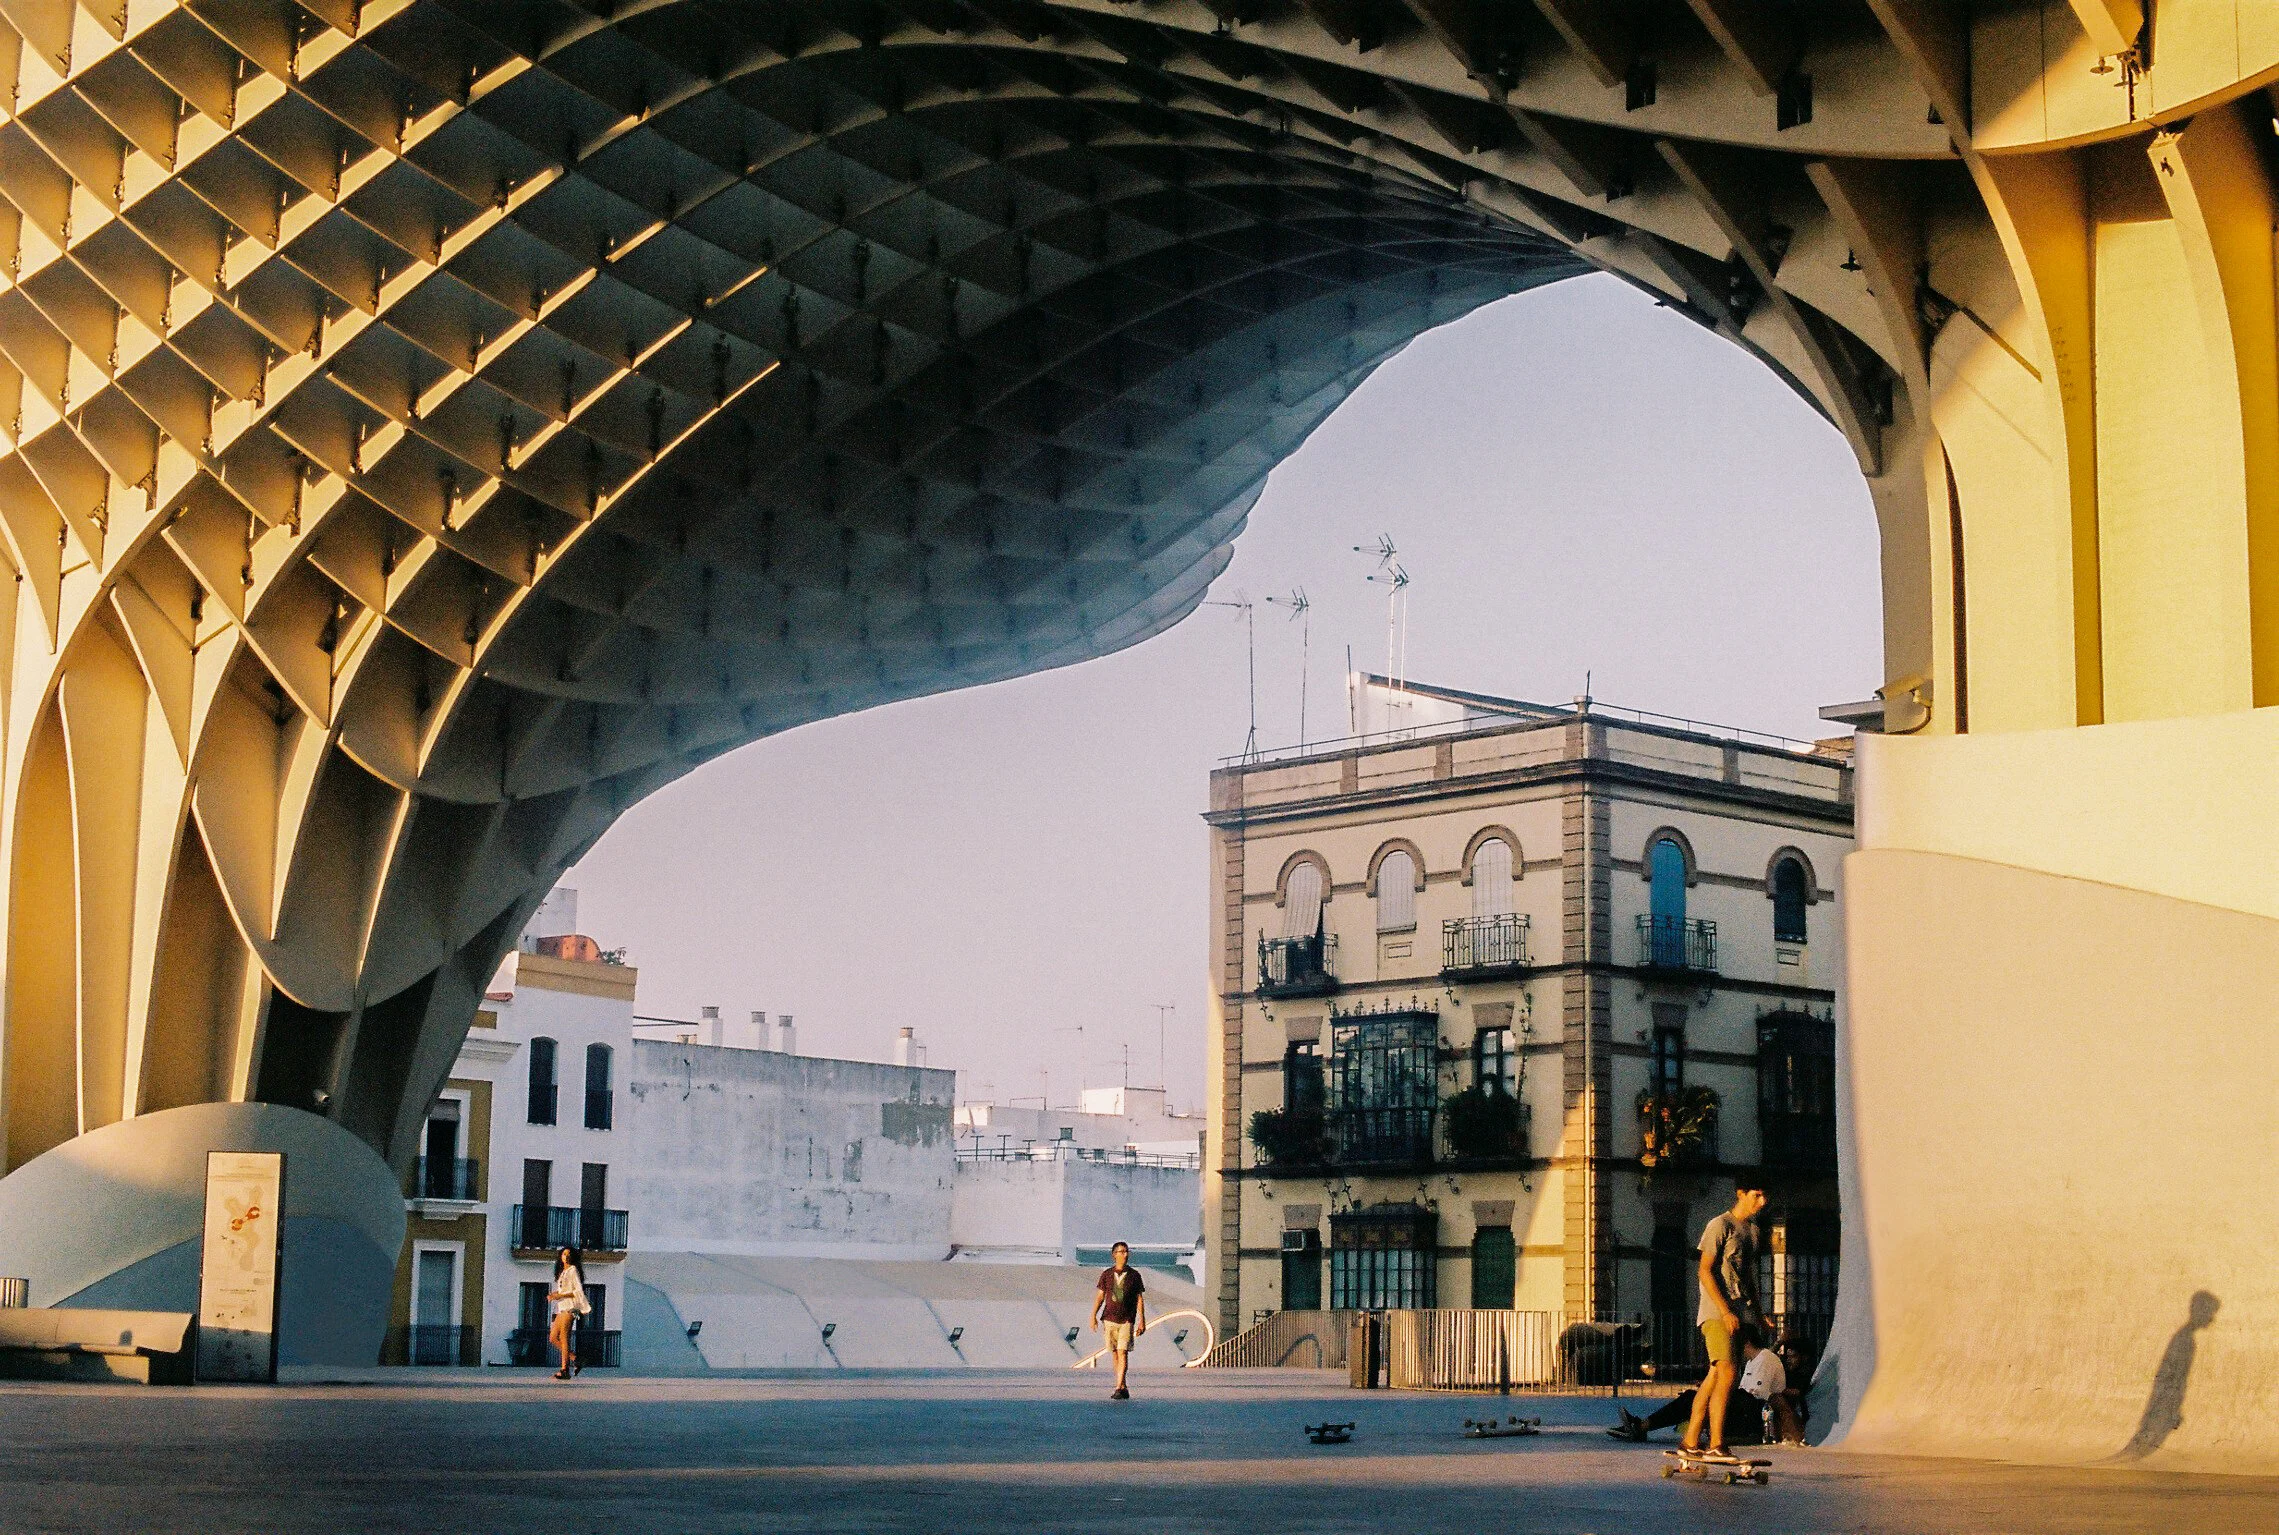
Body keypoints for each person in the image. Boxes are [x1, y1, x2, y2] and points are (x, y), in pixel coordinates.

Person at [1681, 1181, 1768, 1457]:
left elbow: (1747, 1277)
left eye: (1765, 1196)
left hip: (1738, 1313)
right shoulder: (1720, 1225)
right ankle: (1717, 1443)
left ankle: (1691, 1440)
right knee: (1728, 1373)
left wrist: (1758, 1313)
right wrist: (1725, 1311)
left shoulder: (1752, 1231)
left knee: (1715, 1374)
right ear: (1741, 1193)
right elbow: (1705, 1271)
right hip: (1718, 1313)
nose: (1762, 1202)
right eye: (1757, 1195)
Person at [1090, 1240, 1147, 1400]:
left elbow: (1139, 1298)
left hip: (1127, 1319)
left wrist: (1142, 1320)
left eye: (1127, 1251)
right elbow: (1100, 1296)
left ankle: (1117, 1387)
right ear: (1114, 1255)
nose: (1125, 1254)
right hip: (1109, 1318)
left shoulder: (1134, 1276)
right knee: (1115, 1353)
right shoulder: (1107, 1275)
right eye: (1122, 1251)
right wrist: (1093, 1315)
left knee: (1123, 1352)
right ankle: (1122, 1385)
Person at [1739, 1334, 1805, 1445]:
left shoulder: (1801, 1374)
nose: (1789, 1360)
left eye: (1793, 1357)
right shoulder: (1750, 1362)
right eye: (1788, 1357)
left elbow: (1761, 1390)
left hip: (1764, 1406)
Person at [548, 1246, 591, 1381]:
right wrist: (556, 1295)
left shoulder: (572, 1270)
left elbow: (577, 1291)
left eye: (568, 1254)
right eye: (564, 1254)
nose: (566, 1256)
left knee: (564, 1337)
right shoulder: (563, 1272)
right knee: (553, 1338)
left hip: (571, 1307)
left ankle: (564, 1370)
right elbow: (564, 1291)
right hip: (562, 1307)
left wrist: (558, 1295)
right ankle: (576, 1359)